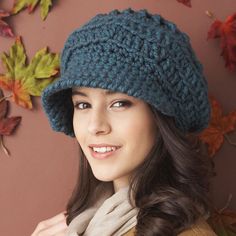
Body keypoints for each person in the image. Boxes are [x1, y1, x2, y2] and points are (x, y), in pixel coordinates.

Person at [32, 8, 217, 236]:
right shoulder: (86, 221)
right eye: (83, 104)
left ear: (160, 116)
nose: (94, 125)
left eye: (119, 103)